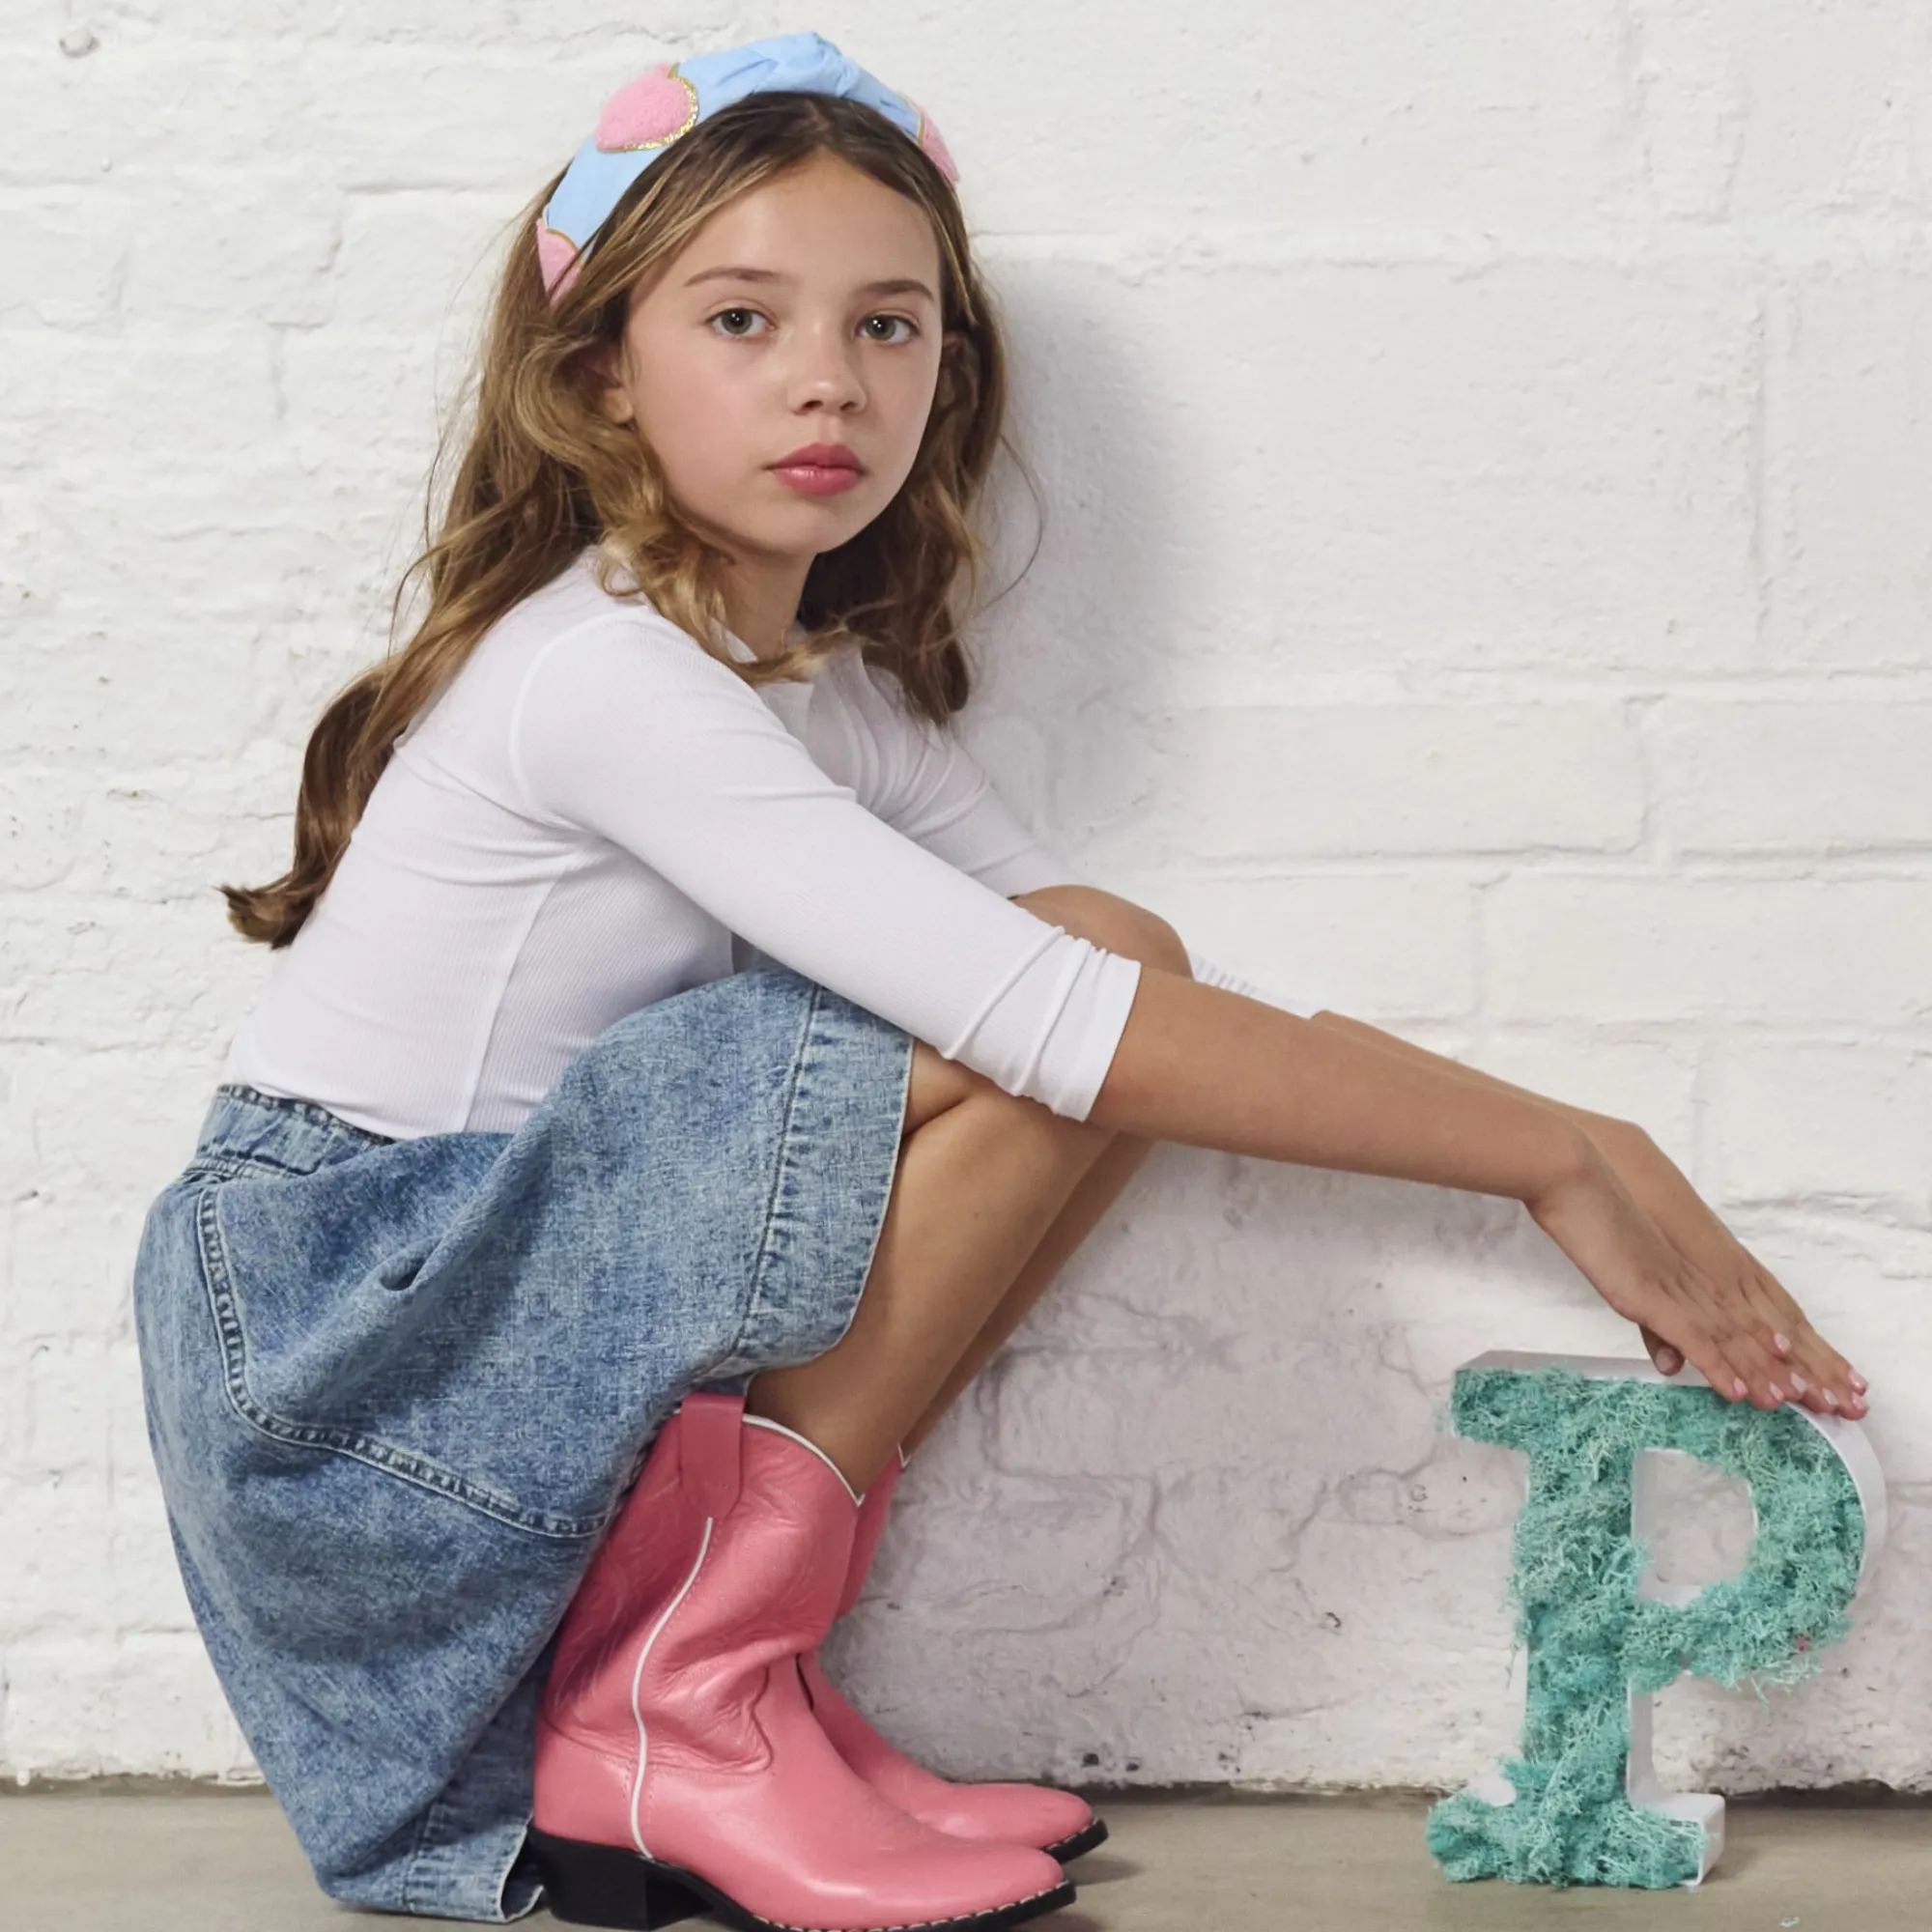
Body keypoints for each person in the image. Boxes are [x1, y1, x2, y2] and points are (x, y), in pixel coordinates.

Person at [128, 30, 1869, 1932]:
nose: (829, 378)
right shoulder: (604, 673)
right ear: (596, 372)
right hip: (348, 1364)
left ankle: (724, 1679)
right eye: (741, 318)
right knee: (1071, 1005)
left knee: (1115, 961)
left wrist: (1562, 1139)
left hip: (471, 1332)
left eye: (892, 326)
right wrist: (1559, 1157)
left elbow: (1123, 999)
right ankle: (679, 1704)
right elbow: (1051, 1027)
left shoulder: (813, 691)